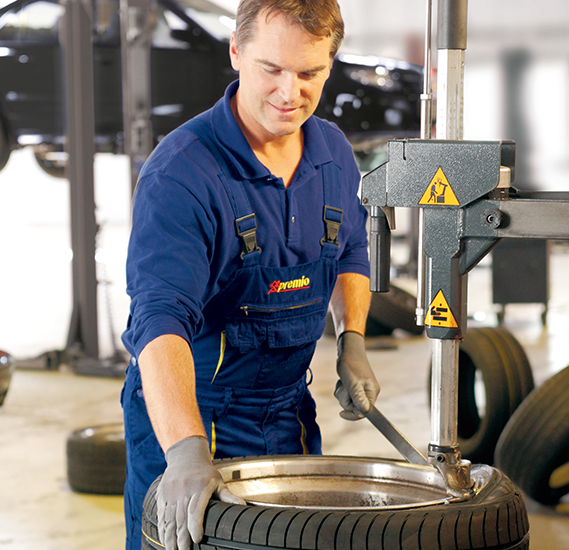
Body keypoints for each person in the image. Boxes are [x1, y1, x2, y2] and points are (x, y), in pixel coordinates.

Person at [121, 1, 380, 549]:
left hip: (288, 412)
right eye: (272, 69)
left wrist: (351, 340)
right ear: (236, 52)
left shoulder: (333, 153)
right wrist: (184, 450)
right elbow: (158, 318)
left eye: (309, 73)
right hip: (192, 416)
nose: (290, 93)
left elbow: (351, 251)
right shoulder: (183, 173)